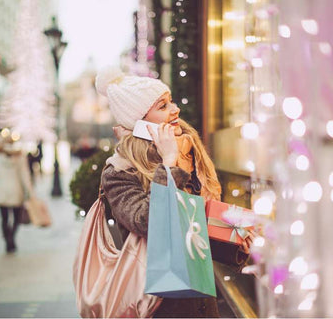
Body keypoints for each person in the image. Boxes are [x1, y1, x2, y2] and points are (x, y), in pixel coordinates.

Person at [95, 67, 254, 318]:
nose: (175, 109)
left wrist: (240, 238)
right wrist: (168, 166)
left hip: (200, 295)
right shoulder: (120, 172)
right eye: (162, 106)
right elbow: (146, 222)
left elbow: (194, 226)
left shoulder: (190, 152)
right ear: (140, 123)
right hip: (158, 302)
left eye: (171, 101)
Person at [0, 136, 33, 253]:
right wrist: (29, 192)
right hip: (16, 191)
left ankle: (7, 240)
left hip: (0, 191)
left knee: (4, 218)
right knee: (16, 218)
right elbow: (25, 176)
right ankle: (11, 238)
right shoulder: (19, 156)